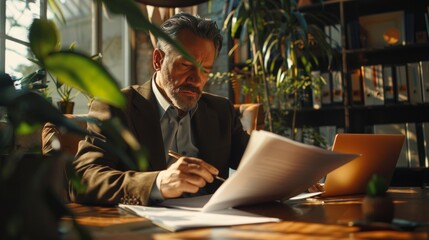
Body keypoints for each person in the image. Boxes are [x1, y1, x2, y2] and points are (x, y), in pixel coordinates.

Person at [70, 12, 250, 206]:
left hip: (216, 225)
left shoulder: (221, 111)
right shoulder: (116, 107)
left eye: (205, 69)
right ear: (158, 60)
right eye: (186, 65)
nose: (197, 79)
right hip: (145, 229)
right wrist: (158, 183)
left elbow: (259, 162)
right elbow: (83, 179)